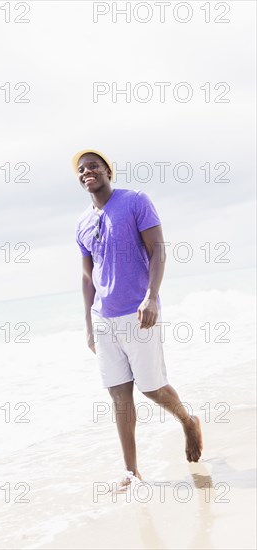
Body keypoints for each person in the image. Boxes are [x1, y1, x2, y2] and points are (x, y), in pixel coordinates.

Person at [73, 149, 203, 490]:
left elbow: (157, 249)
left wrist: (151, 297)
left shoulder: (135, 201)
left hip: (138, 312)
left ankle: (188, 421)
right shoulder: (82, 223)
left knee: (152, 388)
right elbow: (88, 278)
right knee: (119, 397)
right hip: (103, 319)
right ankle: (132, 472)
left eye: (94, 166)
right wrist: (88, 325)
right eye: (82, 169)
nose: (88, 171)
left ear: (107, 171)